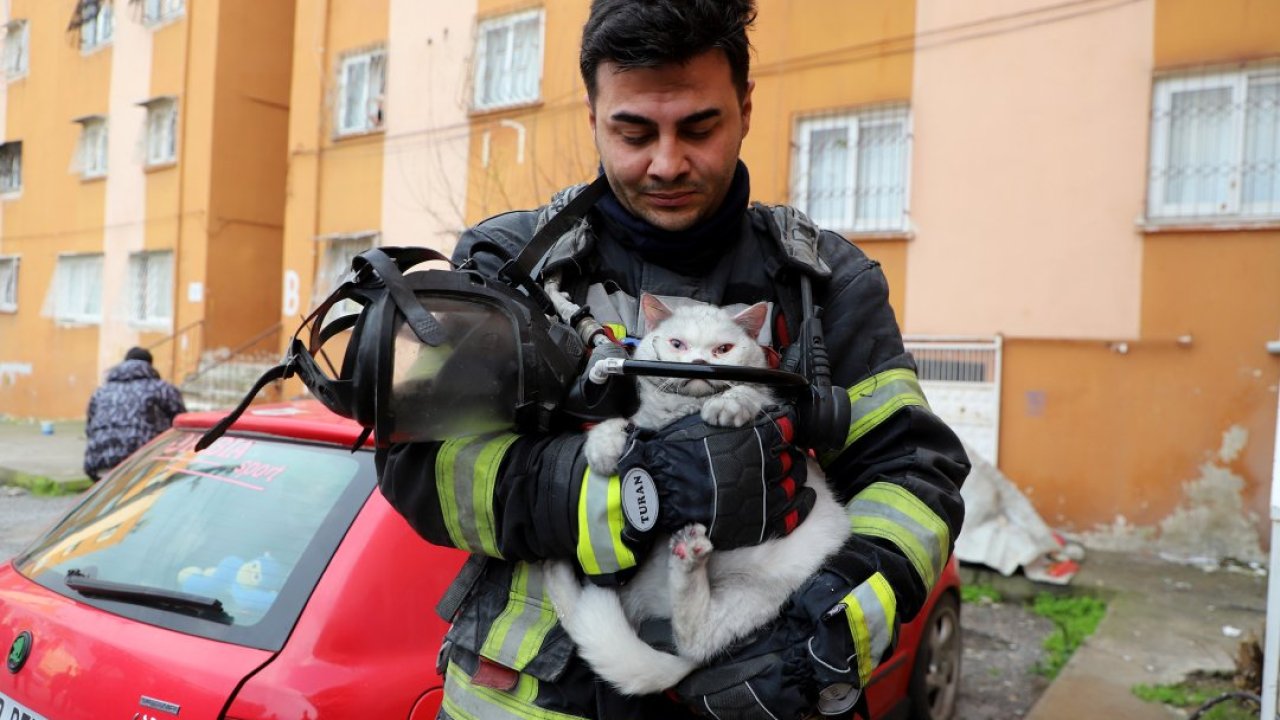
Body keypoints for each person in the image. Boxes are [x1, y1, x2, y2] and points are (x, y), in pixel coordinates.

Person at [378, 1, 968, 718]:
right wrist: (622, 490)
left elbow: (912, 476)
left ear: (745, 109)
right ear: (593, 116)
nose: (666, 163)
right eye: (633, 132)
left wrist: (820, 628)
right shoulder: (509, 268)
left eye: (698, 127)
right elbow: (422, 468)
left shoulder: (825, 283)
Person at [83, 347, 186, 482]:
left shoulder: (101, 392)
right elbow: (182, 425)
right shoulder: (162, 389)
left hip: (99, 462)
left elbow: (90, 428)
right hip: (142, 462)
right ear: (149, 365)